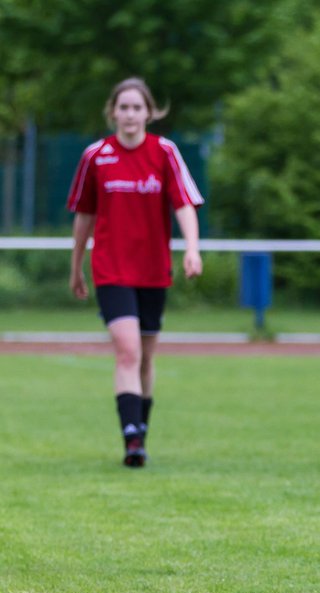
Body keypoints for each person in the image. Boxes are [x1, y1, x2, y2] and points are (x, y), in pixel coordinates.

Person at [67, 77, 204, 467]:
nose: (129, 114)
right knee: (126, 351)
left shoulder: (164, 152)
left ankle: (139, 433)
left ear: (149, 112)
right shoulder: (96, 156)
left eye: (136, 107)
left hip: (153, 270)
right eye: (123, 107)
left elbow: (184, 205)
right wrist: (76, 266)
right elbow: (84, 217)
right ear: (113, 112)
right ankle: (131, 440)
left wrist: (192, 249)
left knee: (144, 357)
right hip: (111, 269)